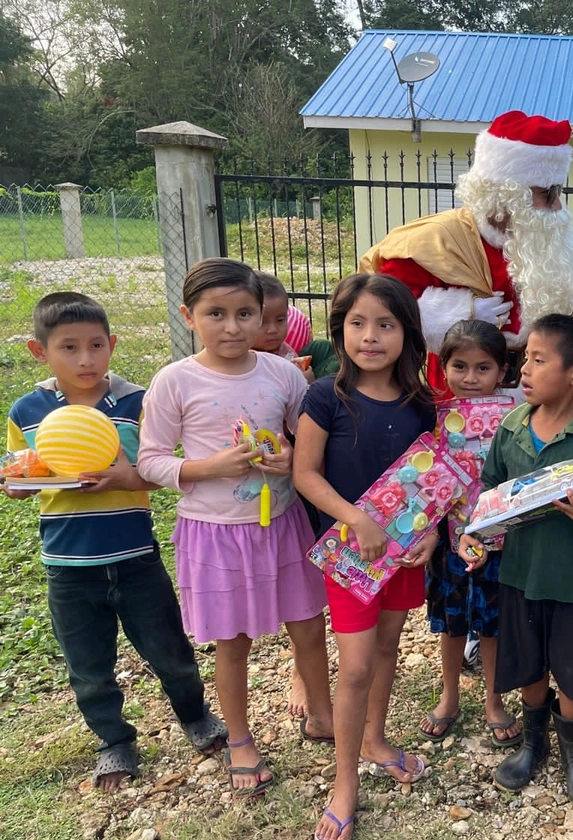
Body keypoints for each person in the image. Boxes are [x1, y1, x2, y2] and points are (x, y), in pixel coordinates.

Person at [3, 292, 228, 790]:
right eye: (68, 348)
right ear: (40, 352)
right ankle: (113, 740)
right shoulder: (28, 410)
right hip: (67, 562)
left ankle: (195, 717)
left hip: (136, 556)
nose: (85, 359)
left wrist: (123, 477)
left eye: (96, 346)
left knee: (170, 649)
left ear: (113, 344)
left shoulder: (135, 401)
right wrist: (18, 484)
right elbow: (21, 475)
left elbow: (156, 471)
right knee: (88, 666)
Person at [139, 259, 334, 801]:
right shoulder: (175, 381)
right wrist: (207, 468)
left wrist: (289, 455)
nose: (232, 326)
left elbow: (306, 439)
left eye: (245, 313)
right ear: (188, 316)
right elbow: (151, 460)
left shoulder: (284, 375)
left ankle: (322, 715)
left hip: (284, 523)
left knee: (308, 625)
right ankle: (241, 739)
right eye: (216, 314)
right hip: (215, 531)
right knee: (233, 641)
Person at [458, 315, 573, 810]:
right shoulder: (511, 429)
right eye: (524, 358)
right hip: (519, 578)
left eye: (537, 359)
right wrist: (475, 534)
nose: (524, 370)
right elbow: (488, 491)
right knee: (528, 666)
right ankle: (534, 742)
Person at [292, 274, 435, 840]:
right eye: (357, 323)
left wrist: (433, 536)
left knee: (386, 647)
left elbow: (431, 482)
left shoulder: (422, 404)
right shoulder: (325, 395)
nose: (370, 336)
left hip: (403, 557)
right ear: (339, 328)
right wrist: (356, 519)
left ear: (407, 334)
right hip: (350, 556)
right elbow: (305, 473)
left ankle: (376, 740)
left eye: (385, 324)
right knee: (353, 668)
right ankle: (344, 784)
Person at [359, 110, 573, 391]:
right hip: (458, 392)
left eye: (556, 194)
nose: (555, 207)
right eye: (545, 194)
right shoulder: (440, 239)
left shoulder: (545, 239)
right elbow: (383, 303)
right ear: (507, 194)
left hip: (534, 393)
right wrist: (461, 314)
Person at [419, 319, 521, 749]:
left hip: (502, 540)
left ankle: (494, 701)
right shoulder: (436, 418)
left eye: (483, 368)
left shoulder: (517, 418)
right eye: (460, 366)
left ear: (502, 371)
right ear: (443, 369)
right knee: (454, 621)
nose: (471, 378)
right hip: (449, 538)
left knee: (494, 625)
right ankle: (450, 695)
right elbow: (421, 482)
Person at [253, 272, 337, 721]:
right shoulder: (229, 369)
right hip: (255, 497)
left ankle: (307, 671)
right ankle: (299, 669)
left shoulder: (302, 360)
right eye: (258, 319)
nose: (268, 330)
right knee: (289, 586)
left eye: (278, 319)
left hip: (303, 486)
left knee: (312, 578)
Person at [252, 273, 339, 382]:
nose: (273, 329)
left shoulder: (280, 348)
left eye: (280, 320)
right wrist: (305, 381)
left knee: (322, 346)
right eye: (262, 322)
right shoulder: (250, 360)